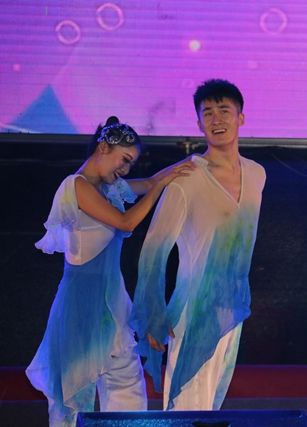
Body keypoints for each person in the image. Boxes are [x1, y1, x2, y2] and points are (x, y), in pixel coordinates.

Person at [26, 117, 192, 427]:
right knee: (75, 394)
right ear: (103, 147)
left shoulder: (110, 189)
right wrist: (158, 188)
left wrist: (192, 163)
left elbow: (151, 182)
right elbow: (126, 222)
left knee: (127, 387)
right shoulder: (76, 186)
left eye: (131, 163)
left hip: (112, 304)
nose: (126, 169)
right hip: (83, 306)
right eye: (124, 159)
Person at [130, 79, 266, 410]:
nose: (217, 119)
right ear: (199, 124)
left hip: (232, 306)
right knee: (187, 402)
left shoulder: (257, 174)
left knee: (212, 403)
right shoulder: (187, 178)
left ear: (241, 118)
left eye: (224, 110)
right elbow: (154, 250)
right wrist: (153, 312)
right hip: (192, 308)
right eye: (208, 113)